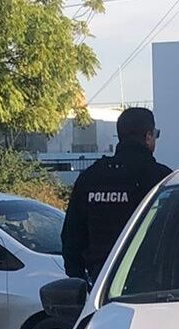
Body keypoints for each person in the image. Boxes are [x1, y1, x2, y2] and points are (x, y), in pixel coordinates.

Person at [61, 107, 172, 284]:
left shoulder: (90, 178)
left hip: (101, 285)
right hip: (155, 285)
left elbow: (72, 237)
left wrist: (80, 282)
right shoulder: (162, 180)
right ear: (148, 136)